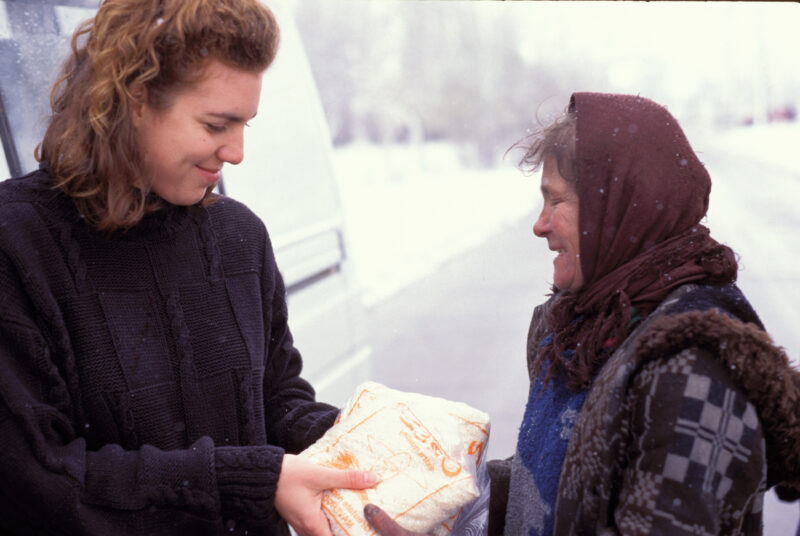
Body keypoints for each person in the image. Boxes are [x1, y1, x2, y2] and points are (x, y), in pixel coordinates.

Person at [0, 1, 376, 535]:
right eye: (217, 124)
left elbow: (275, 398)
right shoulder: (18, 245)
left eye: (245, 124)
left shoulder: (238, 237)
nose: (238, 152)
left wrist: (362, 443)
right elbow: (37, 477)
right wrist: (248, 480)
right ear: (133, 101)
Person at [364, 92, 800, 535]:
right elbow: (568, 485)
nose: (539, 224)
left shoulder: (691, 373)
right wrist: (453, 497)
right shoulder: (595, 327)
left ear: (616, 209)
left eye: (556, 201)